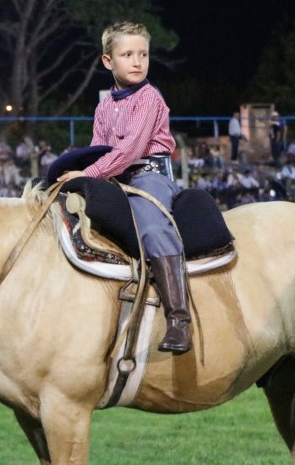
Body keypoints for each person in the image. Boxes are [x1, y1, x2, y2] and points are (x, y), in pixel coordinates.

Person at [56, 21, 191, 354]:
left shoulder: (148, 98)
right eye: (127, 54)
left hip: (149, 177)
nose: (137, 61)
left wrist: (88, 173)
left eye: (143, 54)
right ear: (108, 61)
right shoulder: (105, 106)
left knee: (152, 228)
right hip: (115, 179)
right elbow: (99, 148)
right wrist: (79, 178)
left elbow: (130, 151)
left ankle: (179, 320)